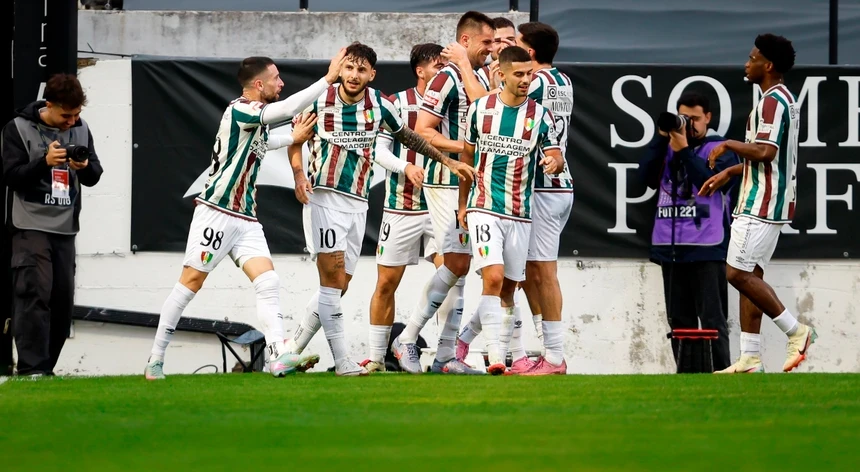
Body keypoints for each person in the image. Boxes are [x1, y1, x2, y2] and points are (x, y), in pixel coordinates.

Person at [143, 50, 348, 380]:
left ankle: (278, 355)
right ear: (258, 84)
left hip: (245, 217)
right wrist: (327, 79)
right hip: (217, 211)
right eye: (276, 79)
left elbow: (265, 140)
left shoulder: (254, 121)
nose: (280, 83)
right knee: (190, 284)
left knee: (268, 280)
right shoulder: (242, 110)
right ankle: (155, 358)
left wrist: (293, 138)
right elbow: (288, 109)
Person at [285, 42, 474, 377]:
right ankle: (335, 358)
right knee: (339, 284)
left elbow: (410, 139)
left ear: (372, 74)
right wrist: (299, 175)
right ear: (340, 69)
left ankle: (290, 351)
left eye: (362, 70)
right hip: (331, 198)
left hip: (360, 202)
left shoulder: (379, 105)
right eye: (350, 68)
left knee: (340, 284)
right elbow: (296, 139)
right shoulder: (321, 99)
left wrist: (447, 161)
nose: (355, 75)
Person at [455, 22, 575, 375]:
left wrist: (465, 64)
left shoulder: (535, 101)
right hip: (509, 198)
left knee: (534, 277)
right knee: (503, 279)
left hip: (538, 192)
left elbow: (495, 102)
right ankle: (501, 354)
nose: (525, 77)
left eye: (513, 43)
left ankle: (550, 356)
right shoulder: (562, 82)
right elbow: (470, 150)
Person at [703, 34, 816, 373]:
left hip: (761, 203)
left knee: (736, 273)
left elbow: (766, 152)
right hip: (767, 198)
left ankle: (797, 332)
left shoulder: (772, 101)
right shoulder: (782, 99)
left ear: (767, 65)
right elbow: (772, 159)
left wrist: (728, 145)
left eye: (752, 58)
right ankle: (750, 357)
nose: (746, 64)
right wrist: (731, 173)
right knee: (751, 273)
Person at [392, 10, 494, 375]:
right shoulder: (445, 78)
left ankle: (444, 355)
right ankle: (410, 341)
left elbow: (488, 113)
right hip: (445, 180)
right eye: (486, 42)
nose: (492, 49)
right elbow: (423, 131)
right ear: (464, 41)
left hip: (472, 181)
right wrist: (466, 149)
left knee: (462, 268)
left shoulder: (477, 75)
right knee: (458, 264)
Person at [2, 73, 104, 376]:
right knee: (34, 292)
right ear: (49, 105)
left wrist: (84, 167)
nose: (72, 121)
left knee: (62, 301)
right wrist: (44, 162)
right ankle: (32, 369)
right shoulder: (17, 128)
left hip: (65, 227)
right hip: (29, 224)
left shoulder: (82, 128)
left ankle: (46, 368)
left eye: (77, 114)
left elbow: (95, 174)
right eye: (66, 115)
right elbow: (11, 176)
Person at [360, 43, 447, 373]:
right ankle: (376, 358)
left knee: (450, 275)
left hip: (442, 204)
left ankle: (443, 354)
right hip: (402, 205)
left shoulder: (454, 103)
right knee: (386, 283)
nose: (443, 72)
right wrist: (405, 167)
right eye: (436, 66)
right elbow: (378, 151)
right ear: (420, 71)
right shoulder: (397, 103)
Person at [639, 92, 739, 372]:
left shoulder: (720, 148)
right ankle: (687, 378)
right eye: (685, 117)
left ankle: (720, 372)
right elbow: (643, 180)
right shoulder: (668, 146)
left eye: (695, 118)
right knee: (678, 322)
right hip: (669, 246)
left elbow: (708, 183)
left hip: (707, 246)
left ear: (708, 117)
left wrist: (683, 150)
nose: (690, 124)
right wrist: (661, 139)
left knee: (713, 320)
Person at [476, 17, 517, 90]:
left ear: (516, 43)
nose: (504, 46)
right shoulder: (480, 76)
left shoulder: (529, 74)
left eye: (510, 40)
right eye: (497, 41)